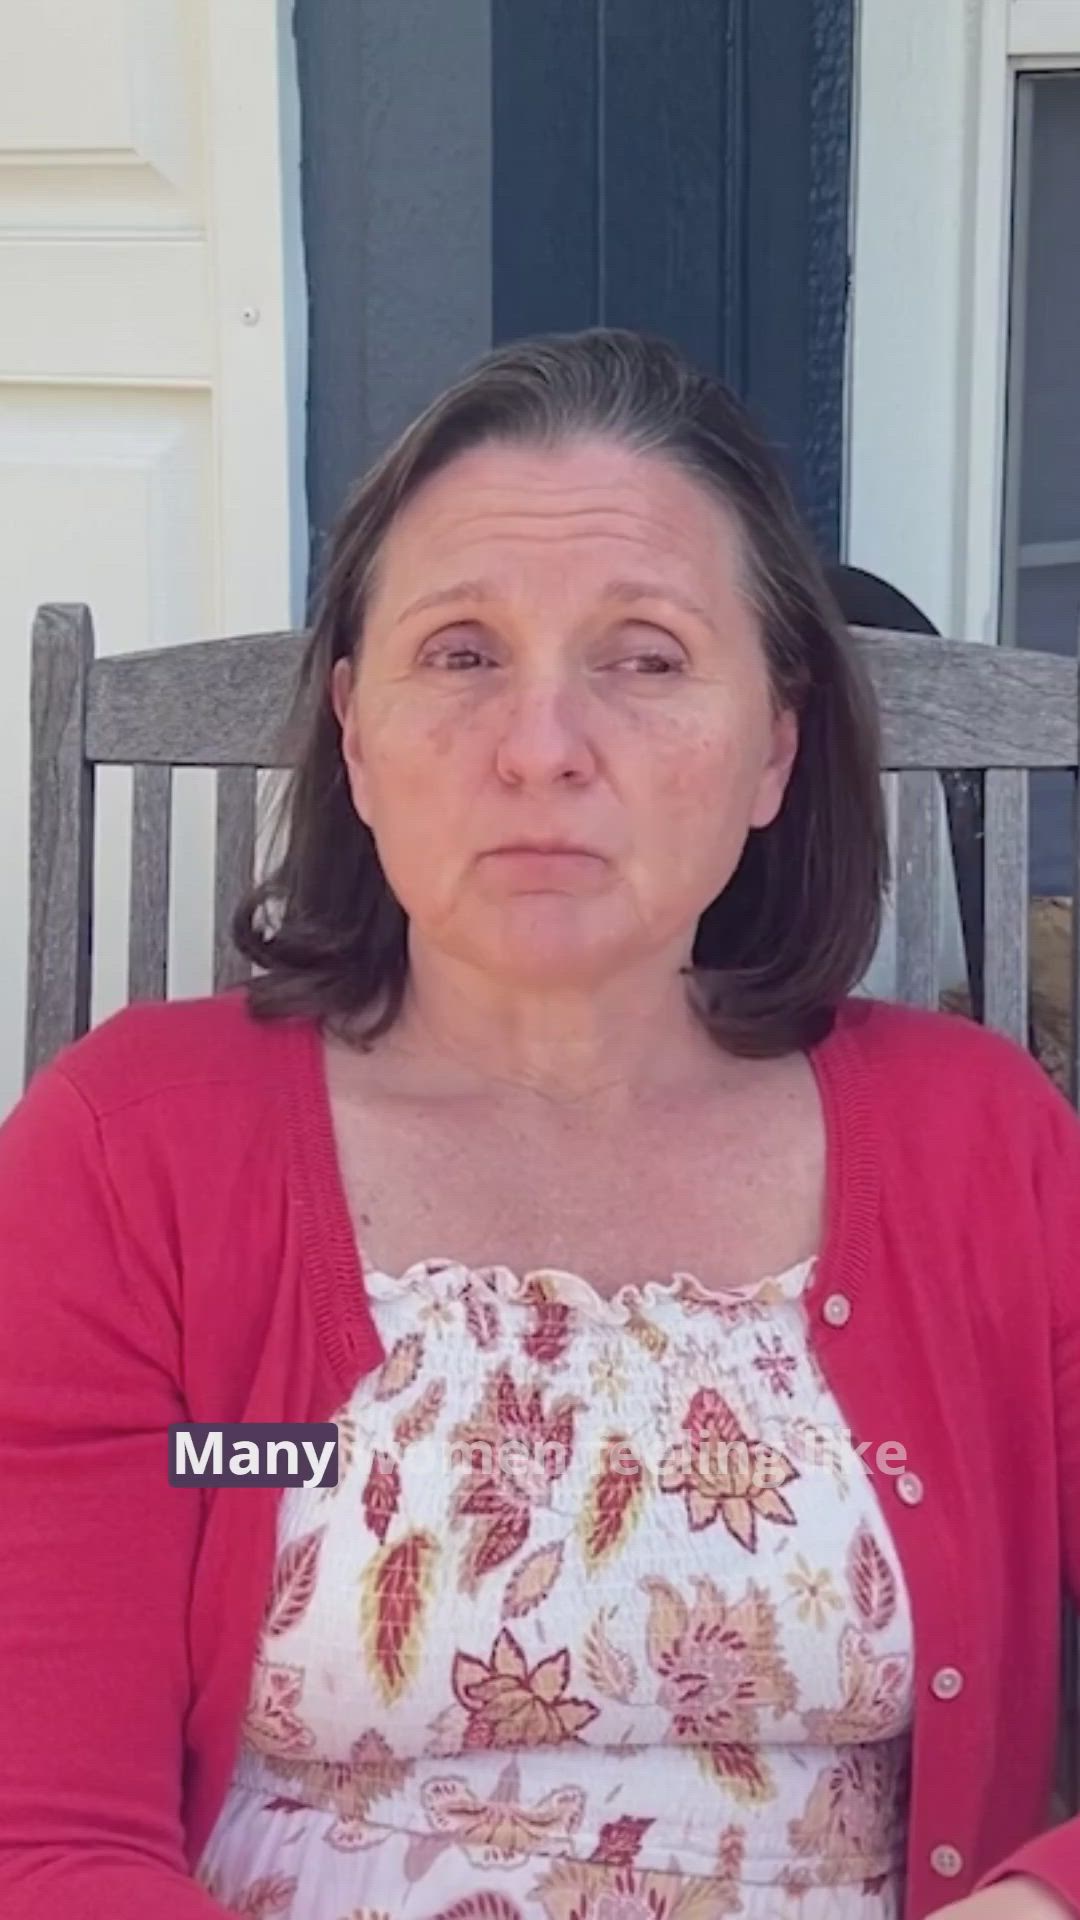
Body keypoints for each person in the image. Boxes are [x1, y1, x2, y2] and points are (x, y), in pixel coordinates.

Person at [1, 327, 1079, 1920]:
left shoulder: (983, 1146)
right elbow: (46, 1840)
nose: (541, 748)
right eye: (462, 655)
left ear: (774, 745)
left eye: (644, 658)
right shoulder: (127, 1155)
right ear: (357, 734)